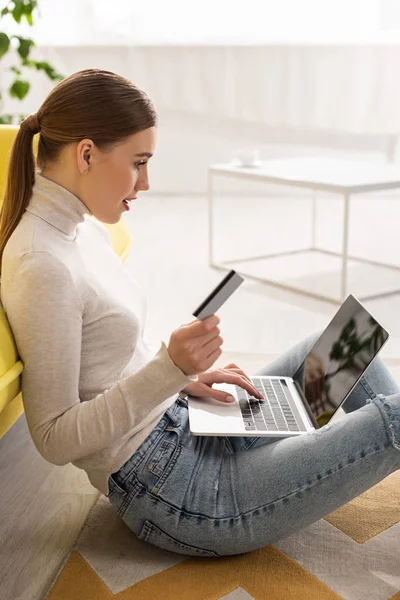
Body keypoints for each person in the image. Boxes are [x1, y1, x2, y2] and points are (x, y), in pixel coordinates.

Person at [0, 68, 399, 558]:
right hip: (181, 494)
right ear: (86, 154)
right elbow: (55, 437)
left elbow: (105, 361)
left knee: (348, 346)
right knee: (395, 418)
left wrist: (181, 379)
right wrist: (169, 369)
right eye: (138, 162)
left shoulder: (79, 228)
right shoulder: (41, 263)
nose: (146, 182)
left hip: (185, 423)